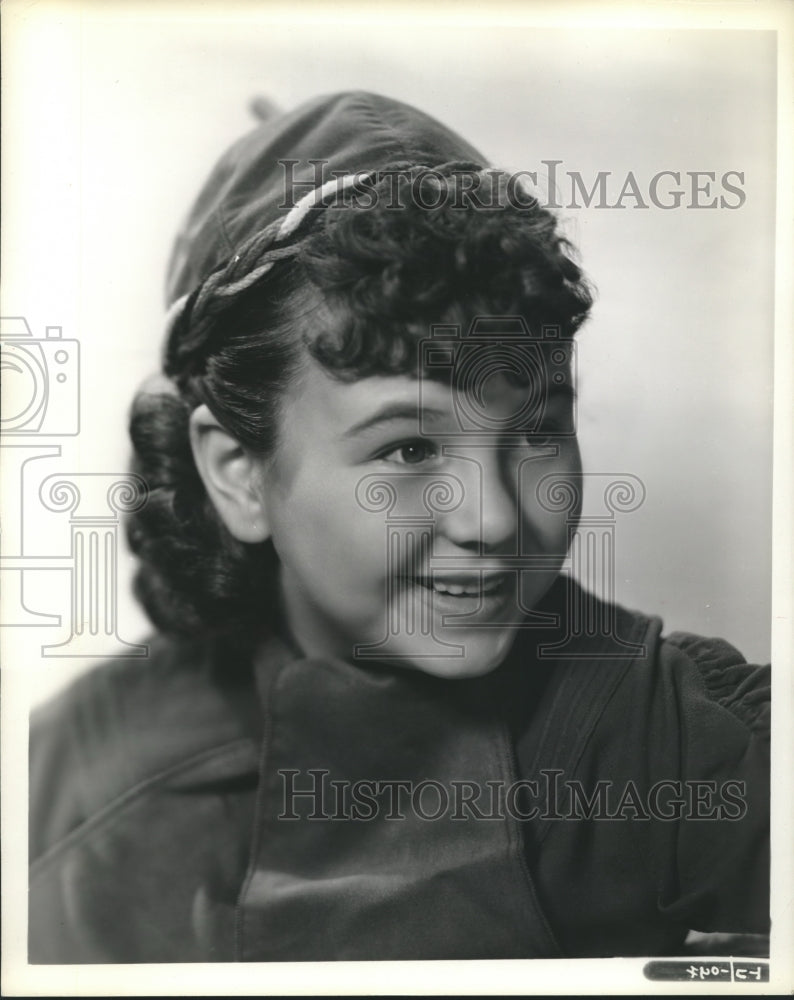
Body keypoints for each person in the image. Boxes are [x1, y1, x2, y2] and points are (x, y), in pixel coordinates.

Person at [28, 91, 770, 963]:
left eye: (535, 432)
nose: (491, 518)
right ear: (239, 473)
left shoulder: (678, 743)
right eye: (410, 448)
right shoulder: (72, 782)